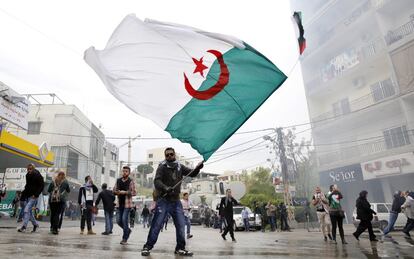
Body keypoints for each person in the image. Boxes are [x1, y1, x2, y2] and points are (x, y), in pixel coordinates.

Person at [141, 147, 203, 256]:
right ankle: (147, 247)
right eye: (167, 155)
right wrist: (165, 188)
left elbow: (191, 173)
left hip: (176, 201)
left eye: (171, 154)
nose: (169, 156)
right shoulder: (162, 167)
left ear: (174, 155)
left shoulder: (179, 166)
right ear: (165, 156)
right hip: (163, 200)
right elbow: (157, 181)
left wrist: (198, 168)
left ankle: (180, 248)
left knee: (181, 224)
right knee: (157, 224)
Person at [114, 166, 137, 245]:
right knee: (118, 221)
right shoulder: (118, 180)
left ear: (129, 173)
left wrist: (125, 192)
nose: (124, 172)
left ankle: (124, 239)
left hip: (127, 205)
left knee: (124, 220)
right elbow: (114, 190)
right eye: (123, 171)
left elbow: (134, 193)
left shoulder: (131, 181)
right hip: (119, 204)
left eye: (126, 171)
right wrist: (117, 192)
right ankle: (128, 231)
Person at [18, 164, 44, 233]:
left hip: (34, 196)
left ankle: (24, 226)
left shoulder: (38, 175)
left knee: (26, 210)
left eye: (31, 169)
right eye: (28, 169)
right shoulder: (27, 175)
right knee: (29, 212)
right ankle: (35, 224)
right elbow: (27, 185)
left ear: (33, 169)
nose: (29, 170)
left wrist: (36, 194)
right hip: (28, 195)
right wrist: (23, 193)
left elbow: (41, 186)